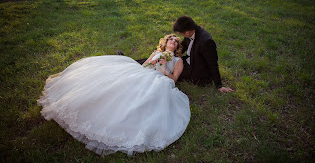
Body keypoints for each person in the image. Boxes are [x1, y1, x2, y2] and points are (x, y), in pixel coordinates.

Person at [37, 34, 190, 156]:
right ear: (164, 42)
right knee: (118, 85)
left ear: (177, 47)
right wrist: (155, 61)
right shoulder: (157, 52)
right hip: (145, 73)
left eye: (175, 41)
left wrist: (163, 67)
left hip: (160, 80)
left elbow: (174, 80)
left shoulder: (178, 61)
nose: (172, 41)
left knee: (145, 96)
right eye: (170, 39)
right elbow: (144, 66)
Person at [172, 16, 233, 93]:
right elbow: (184, 45)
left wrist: (219, 85)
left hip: (198, 71)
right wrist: (170, 54)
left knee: (171, 71)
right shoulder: (192, 30)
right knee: (171, 63)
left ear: (187, 33)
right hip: (190, 60)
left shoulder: (206, 42)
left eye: (180, 33)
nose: (181, 35)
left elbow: (213, 63)